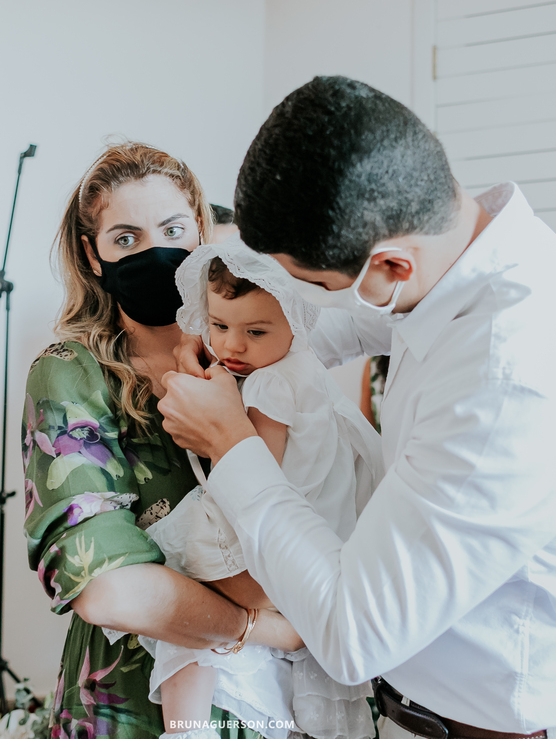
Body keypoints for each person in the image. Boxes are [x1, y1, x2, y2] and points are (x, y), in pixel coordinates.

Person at [159, 75, 556, 738]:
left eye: (314, 285)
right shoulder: (467, 259)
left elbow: (353, 631)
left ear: (389, 266)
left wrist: (231, 446)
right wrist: (241, 347)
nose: (309, 299)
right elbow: (350, 322)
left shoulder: (507, 379)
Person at [22, 142, 302, 739]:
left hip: (274, 701)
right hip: (131, 706)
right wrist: (267, 624)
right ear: (91, 256)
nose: (155, 252)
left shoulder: (256, 355)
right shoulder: (71, 372)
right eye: (126, 238)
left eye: (173, 229)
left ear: (202, 232)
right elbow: (105, 587)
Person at [128, 239, 381, 739]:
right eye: (218, 325)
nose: (231, 346)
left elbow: (250, 464)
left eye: (255, 331)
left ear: (297, 320)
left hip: (268, 524)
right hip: (327, 523)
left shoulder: (268, 386)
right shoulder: (300, 364)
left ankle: (185, 728)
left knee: (183, 597)